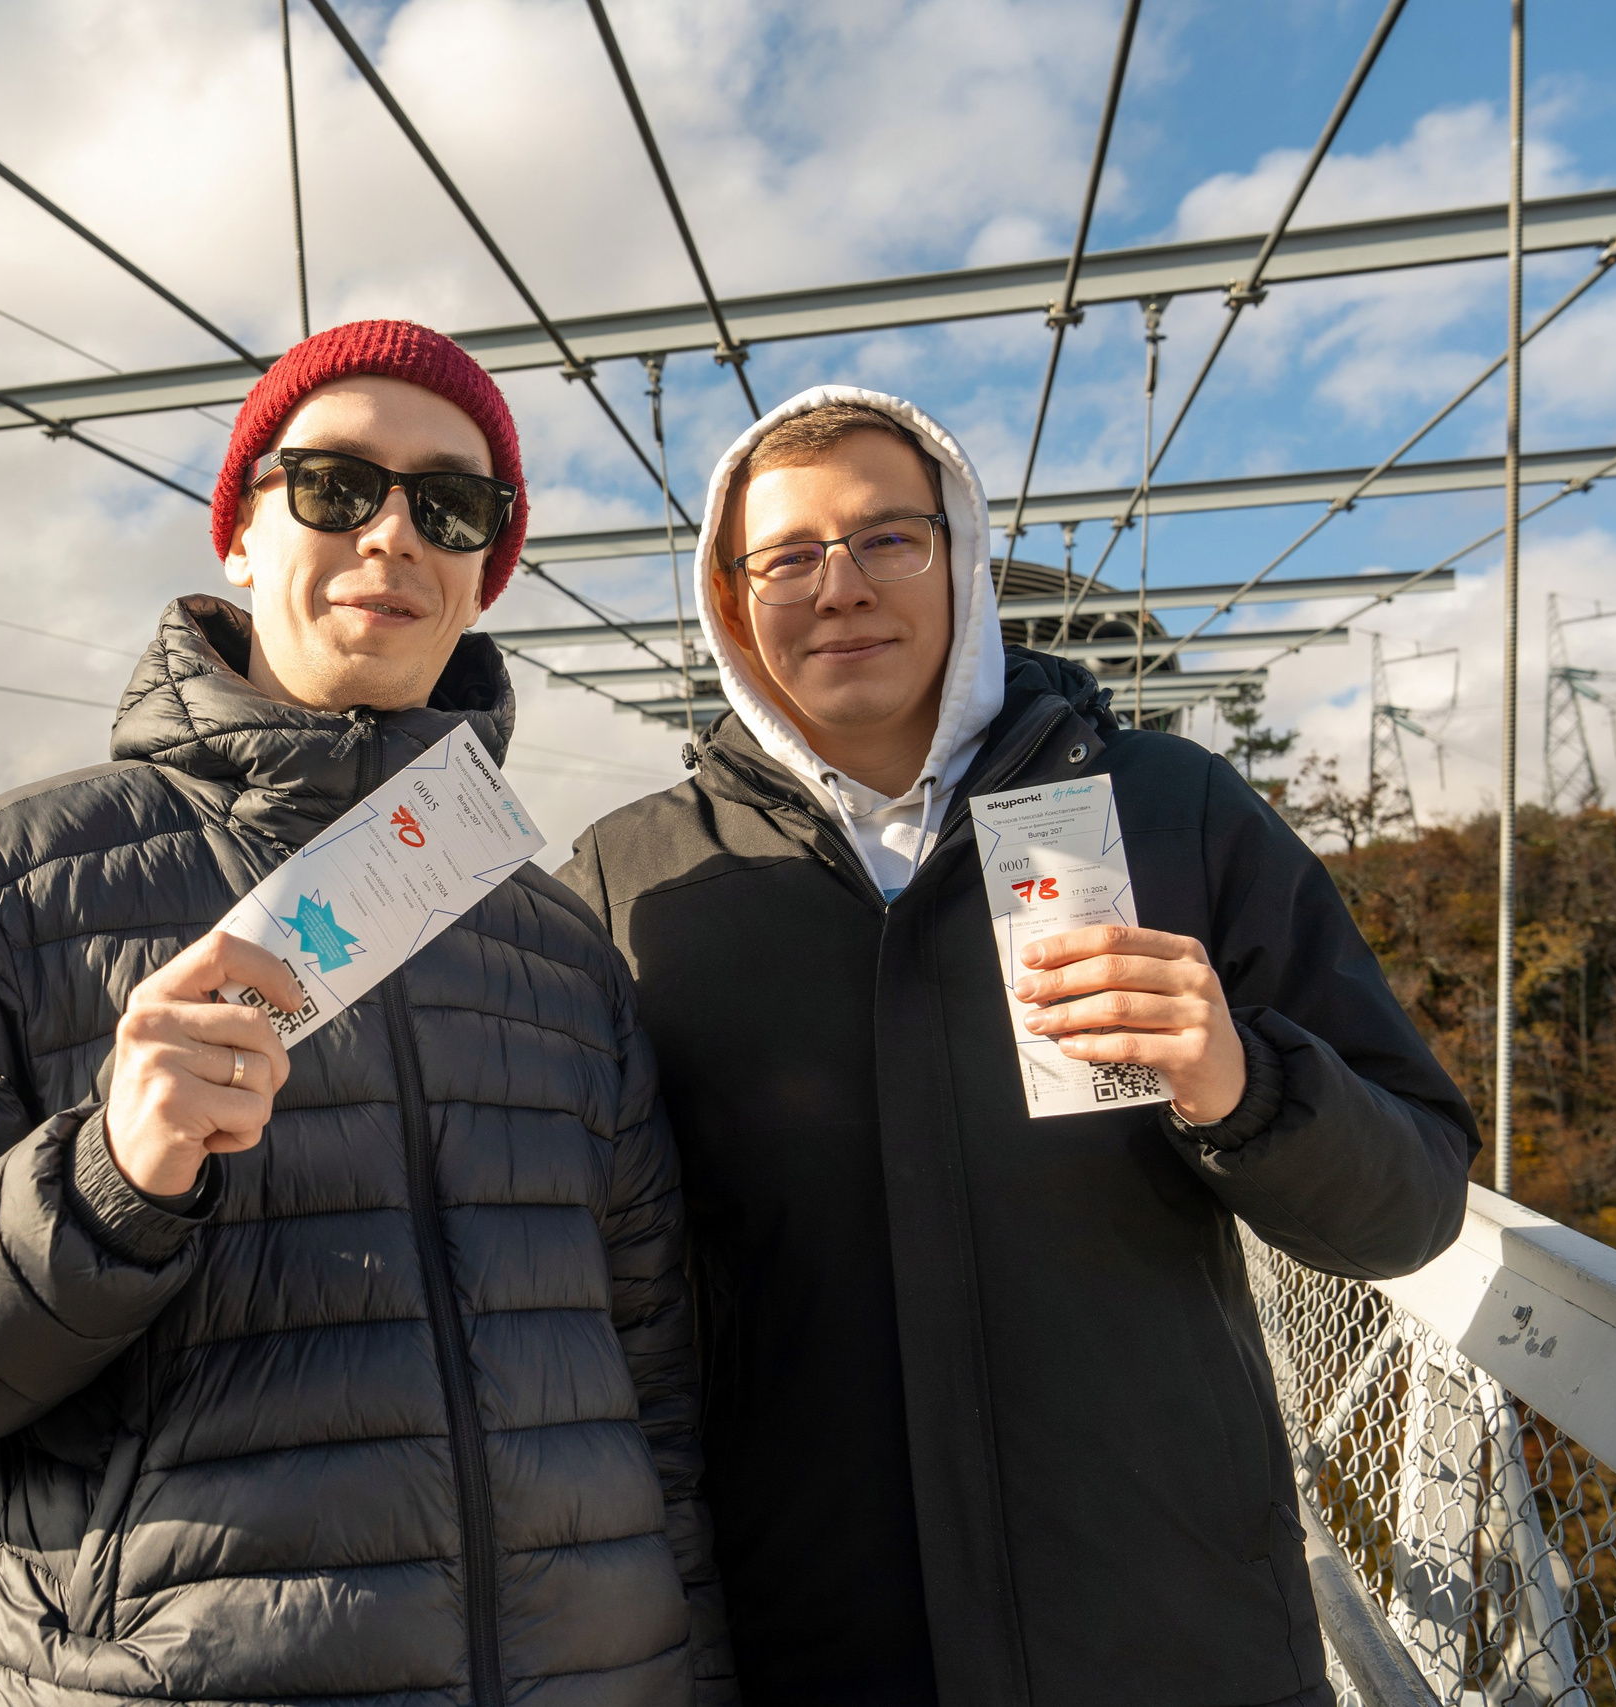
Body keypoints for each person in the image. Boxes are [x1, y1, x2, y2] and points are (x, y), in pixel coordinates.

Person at [0, 320, 731, 1707]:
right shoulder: (11, 890)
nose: (393, 536)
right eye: (336, 486)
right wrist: (100, 1183)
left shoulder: (554, 947)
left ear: (483, 573)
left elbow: (655, 1404)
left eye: (451, 507)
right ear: (242, 535)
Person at [559, 386, 1478, 1707]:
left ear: (964, 557)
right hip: (807, 1638)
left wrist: (1241, 1084)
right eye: (789, 555)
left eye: (890, 539)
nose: (842, 587)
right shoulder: (634, 883)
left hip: (1165, 1633)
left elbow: (1414, 1204)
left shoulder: (1168, 812)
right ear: (728, 594)